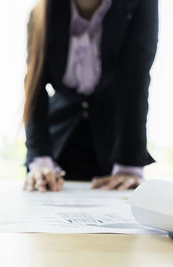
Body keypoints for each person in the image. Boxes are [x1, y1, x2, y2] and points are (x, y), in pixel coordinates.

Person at [23, 0, 158, 192]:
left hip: (115, 146)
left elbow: (135, 80)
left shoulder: (140, 4)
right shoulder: (41, 12)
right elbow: (34, 88)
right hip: (56, 148)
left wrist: (129, 165)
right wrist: (40, 158)